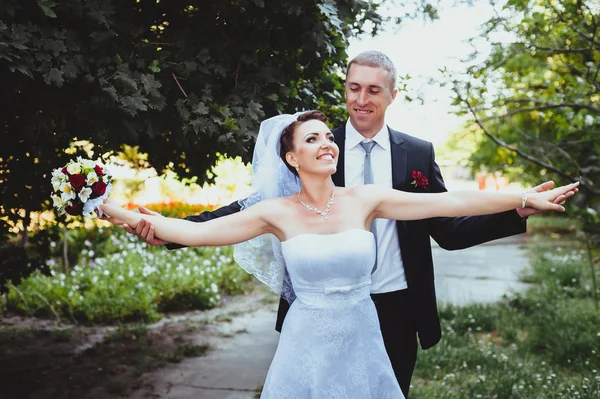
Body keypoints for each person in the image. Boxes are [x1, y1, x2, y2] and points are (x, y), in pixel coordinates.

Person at [126, 51, 572, 397]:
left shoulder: (416, 154)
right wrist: (169, 230)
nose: (361, 100)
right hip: (317, 312)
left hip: (396, 306)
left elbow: (448, 217)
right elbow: (249, 209)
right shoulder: (317, 144)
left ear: (392, 95)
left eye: (373, 90)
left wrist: (517, 207)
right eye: (353, 88)